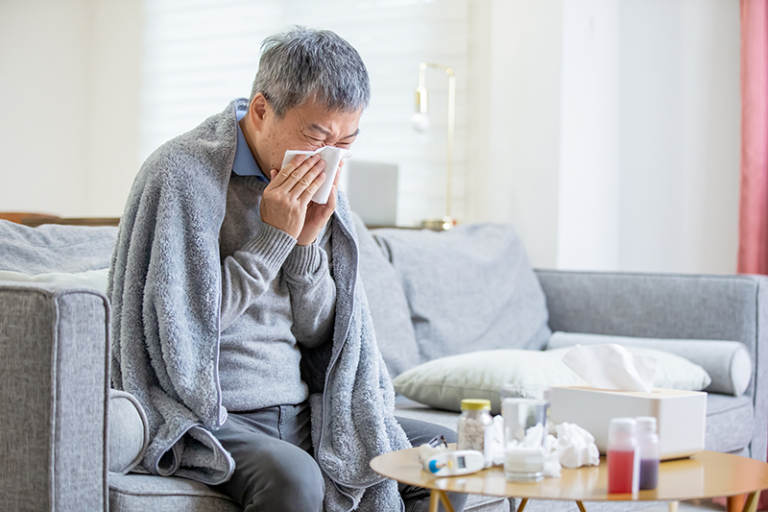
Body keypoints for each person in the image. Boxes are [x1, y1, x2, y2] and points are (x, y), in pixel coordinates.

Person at [109, 26, 467, 512]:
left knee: (446, 458)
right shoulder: (180, 176)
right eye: (317, 136)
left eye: (347, 140)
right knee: (295, 478)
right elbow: (182, 333)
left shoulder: (325, 185)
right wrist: (273, 239)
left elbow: (323, 334)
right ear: (261, 110)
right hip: (213, 413)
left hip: (302, 408)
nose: (329, 157)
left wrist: (304, 246)